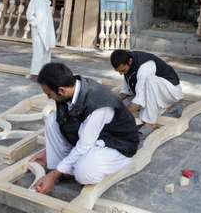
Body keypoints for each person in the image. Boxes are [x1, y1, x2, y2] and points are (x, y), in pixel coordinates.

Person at [32, 63, 139, 194]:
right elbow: (71, 122)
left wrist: (53, 176)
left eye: (49, 94)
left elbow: (84, 145)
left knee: (84, 173)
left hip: (118, 144)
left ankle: (64, 171)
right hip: (95, 135)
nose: (49, 98)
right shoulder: (72, 87)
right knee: (51, 121)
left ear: (61, 91)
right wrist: (48, 152)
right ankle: (61, 170)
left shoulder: (98, 105)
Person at [110, 50, 182, 130]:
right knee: (125, 103)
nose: (121, 73)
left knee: (150, 81)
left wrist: (119, 117)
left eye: (122, 70)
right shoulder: (127, 60)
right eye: (118, 71)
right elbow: (126, 91)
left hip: (171, 91)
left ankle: (149, 122)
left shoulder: (145, 67)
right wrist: (113, 102)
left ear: (129, 62)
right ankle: (160, 108)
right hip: (158, 90)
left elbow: (138, 102)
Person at [26, 0, 57, 81]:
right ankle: (35, 73)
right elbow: (29, 15)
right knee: (38, 52)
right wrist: (37, 24)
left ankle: (45, 72)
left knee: (47, 51)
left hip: (47, 30)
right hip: (38, 31)